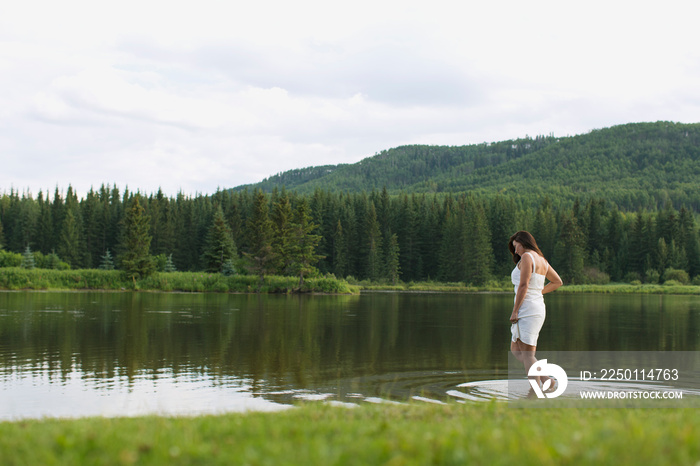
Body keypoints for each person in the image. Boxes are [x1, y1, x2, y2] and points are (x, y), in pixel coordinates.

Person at [508, 230, 563, 392]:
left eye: (516, 246)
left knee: (528, 355)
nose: (515, 251)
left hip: (527, 310)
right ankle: (548, 381)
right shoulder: (542, 260)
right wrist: (537, 292)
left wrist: (515, 311)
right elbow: (557, 281)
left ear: (523, 242)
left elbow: (523, 285)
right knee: (516, 350)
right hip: (536, 307)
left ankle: (535, 391)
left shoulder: (527, 257)